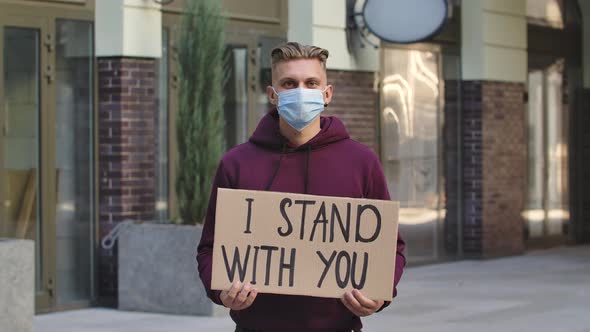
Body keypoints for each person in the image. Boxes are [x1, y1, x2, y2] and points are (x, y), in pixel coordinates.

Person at [197, 41, 405, 332]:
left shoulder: (362, 162)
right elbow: (210, 247)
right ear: (272, 94)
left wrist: (379, 295)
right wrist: (220, 291)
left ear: (327, 93)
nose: (301, 92)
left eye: (311, 83)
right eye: (289, 83)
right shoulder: (236, 164)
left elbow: (390, 246)